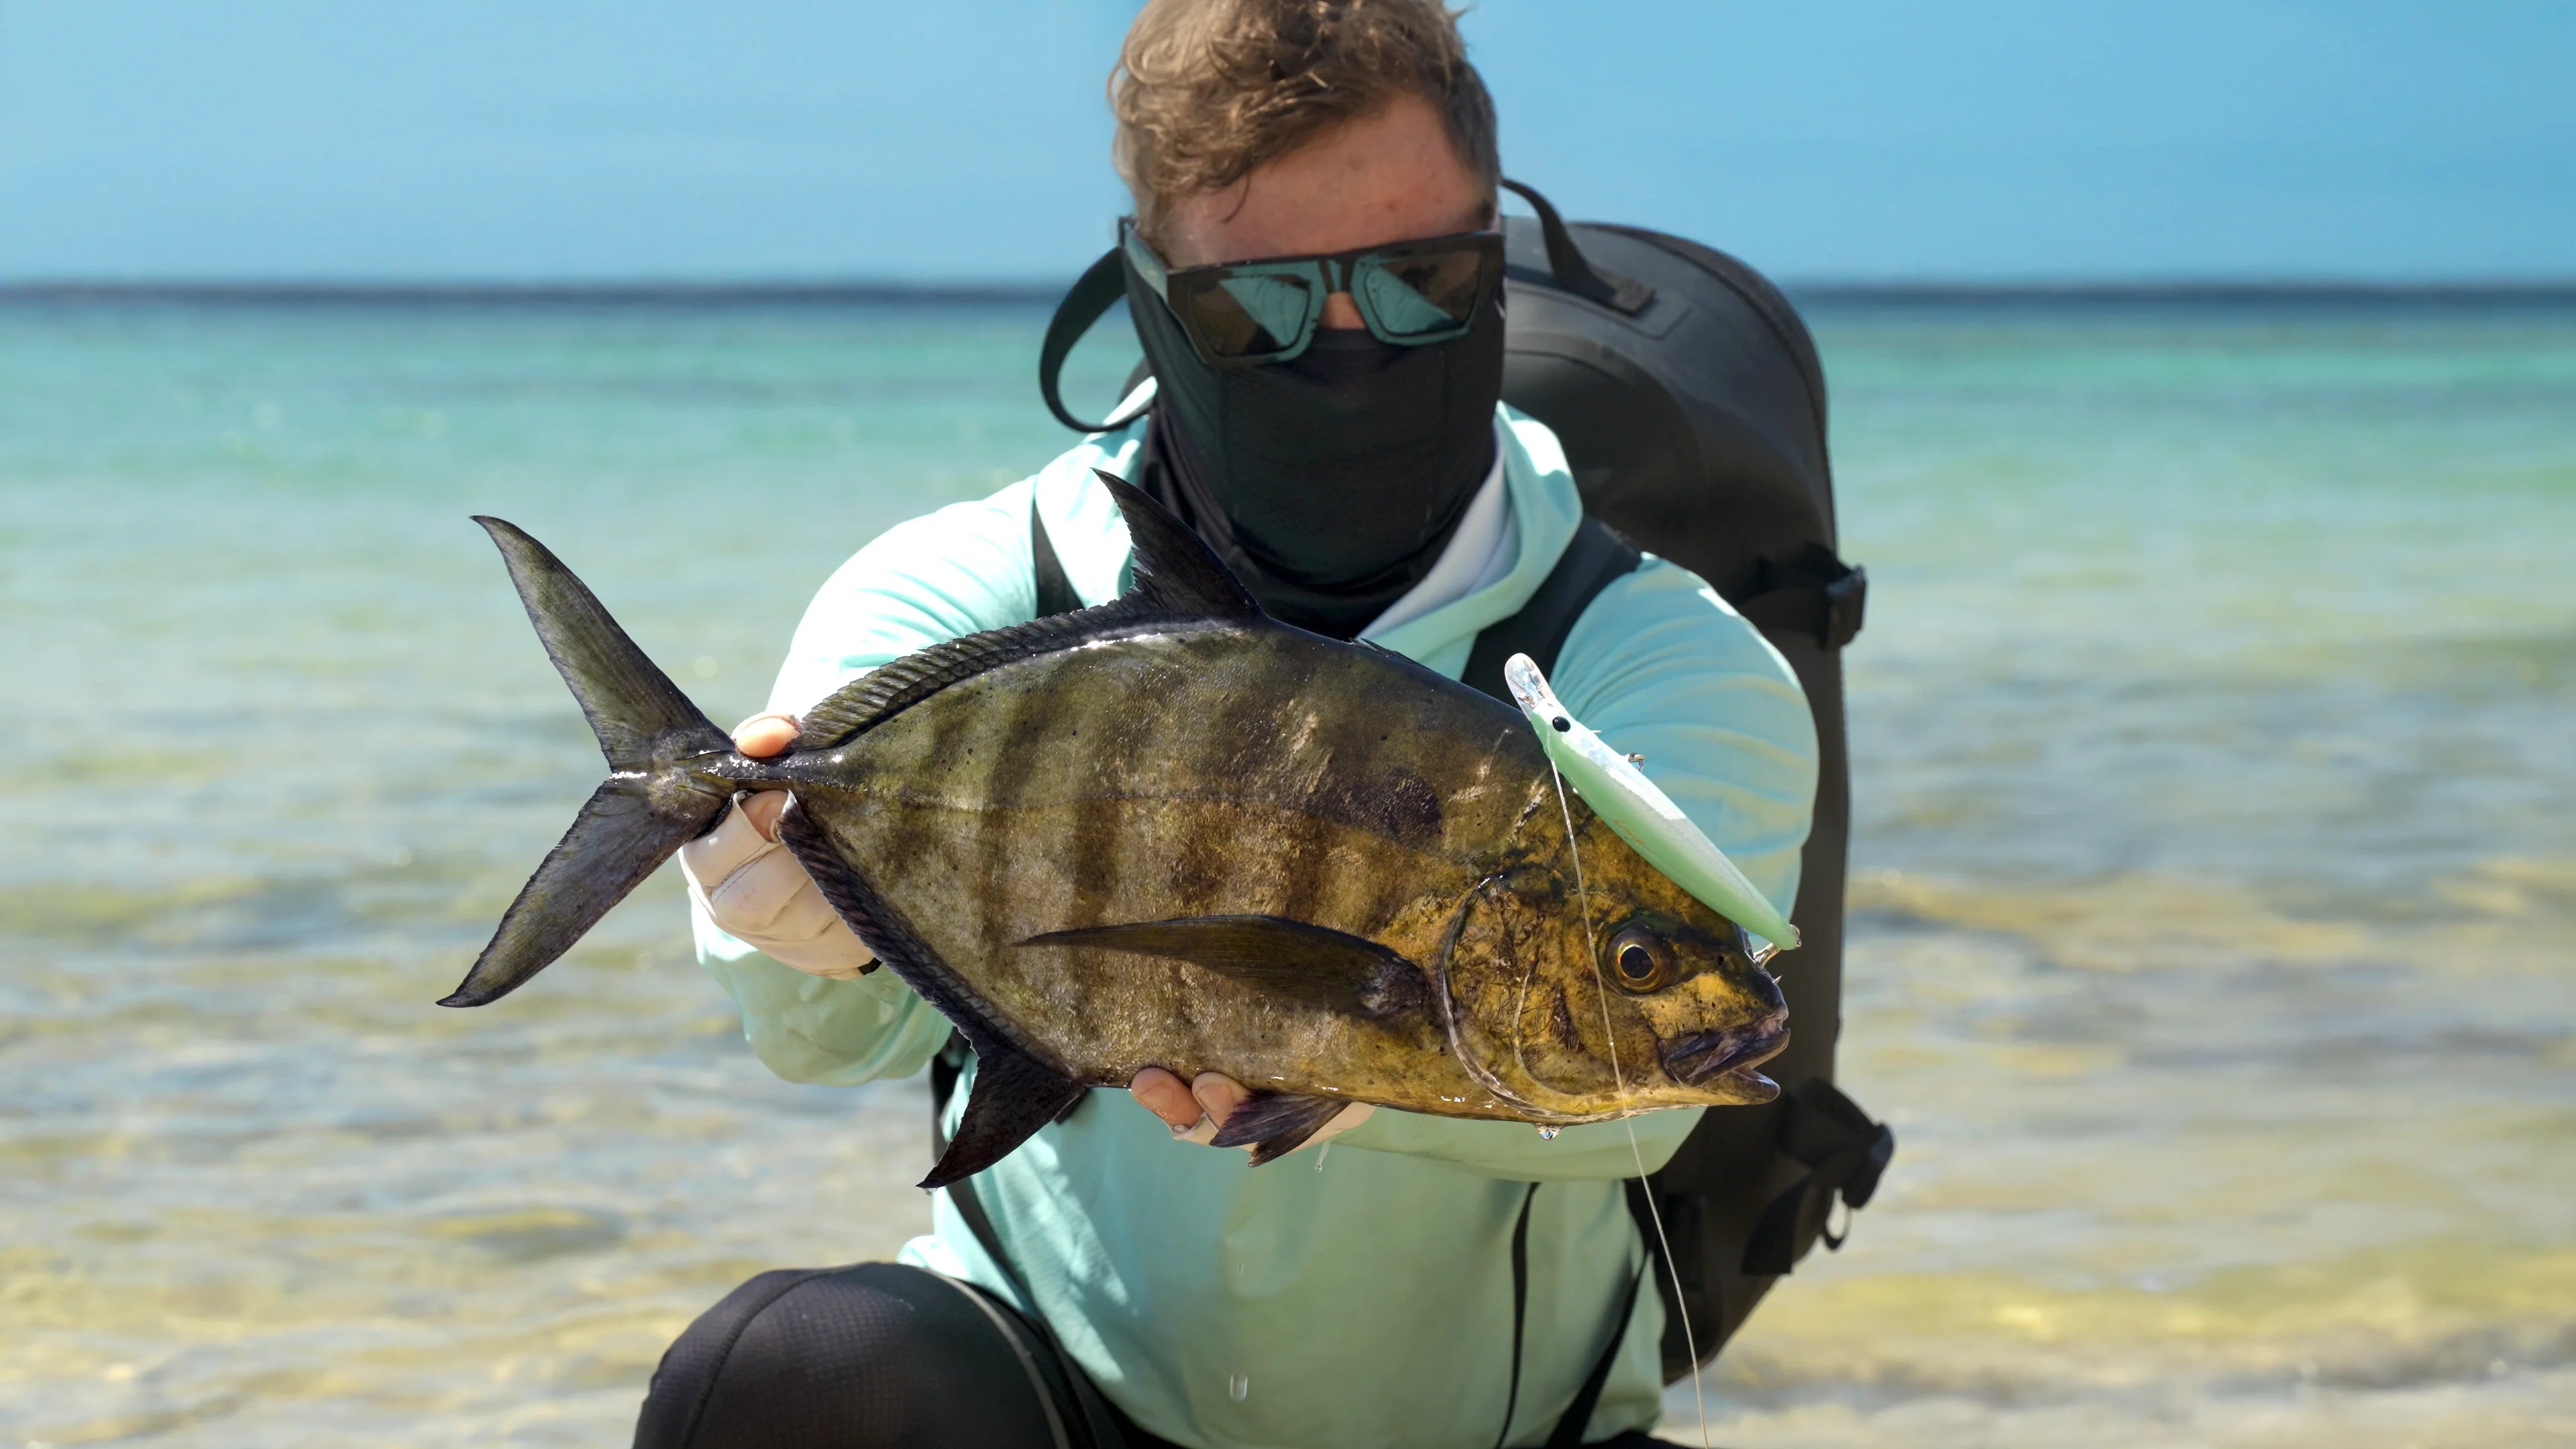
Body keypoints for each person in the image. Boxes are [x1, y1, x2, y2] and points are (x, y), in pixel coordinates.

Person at [636, 2, 1817, 1445]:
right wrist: (788, 913)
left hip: (1517, 1432)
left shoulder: (1666, 661)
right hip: (1062, 1394)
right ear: (1147, 285)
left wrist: (1339, 1055)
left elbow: (1643, 1107)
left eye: (1416, 280)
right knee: (795, 1369)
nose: (1342, 343)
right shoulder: (966, 594)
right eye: (1255, 305)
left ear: (1492, 258)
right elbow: (827, 1042)